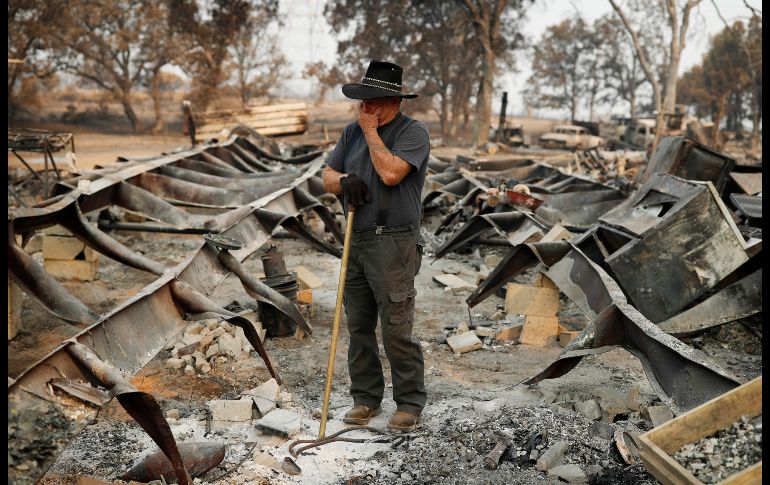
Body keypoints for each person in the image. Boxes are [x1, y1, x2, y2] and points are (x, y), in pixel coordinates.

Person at [322, 60, 430, 432]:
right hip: (357, 239)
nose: (364, 109)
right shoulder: (351, 133)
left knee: (396, 329)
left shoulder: (412, 134)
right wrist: (345, 178)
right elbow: (326, 177)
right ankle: (365, 398)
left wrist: (370, 131)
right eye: (362, 102)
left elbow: (390, 172)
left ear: (393, 102)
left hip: (394, 242)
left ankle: (410, 403)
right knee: (359, 325)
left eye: (372, 102)